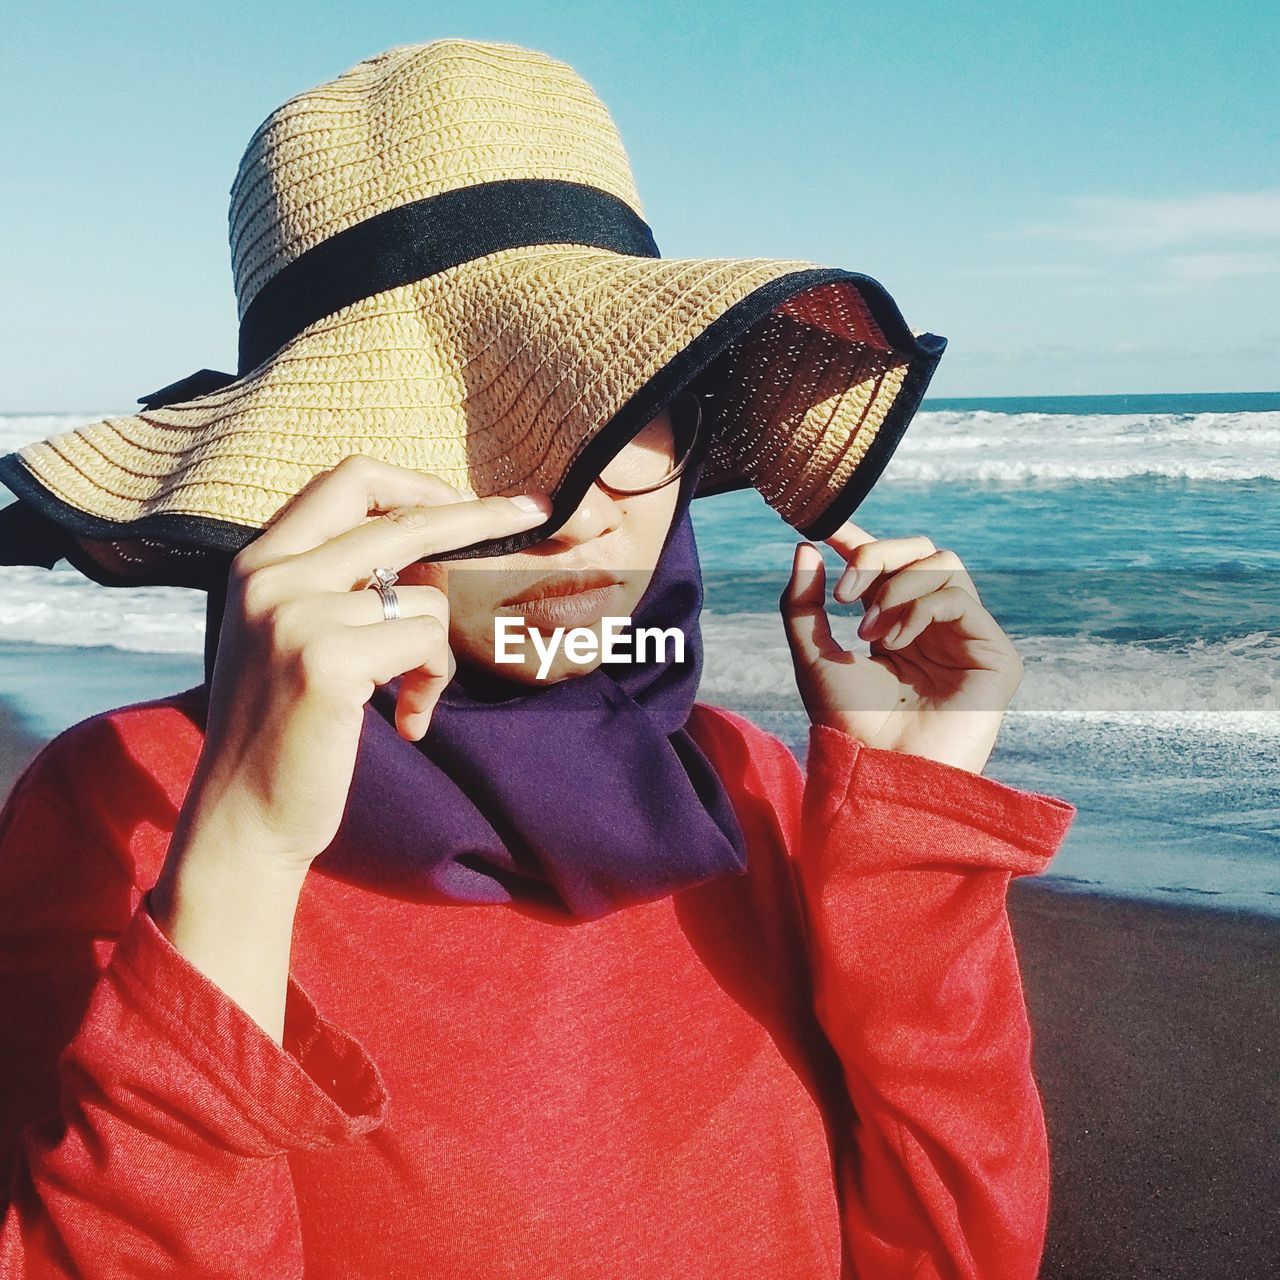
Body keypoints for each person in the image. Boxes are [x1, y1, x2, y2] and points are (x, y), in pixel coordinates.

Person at [0, 38, 1077, 1279]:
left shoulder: (740, 783)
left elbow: (961, 1255)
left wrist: (911, 841)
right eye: (461, 425)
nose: (570, 506)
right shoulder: (128, 805)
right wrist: (242, 852)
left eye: (609, 403)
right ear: (310, 479)